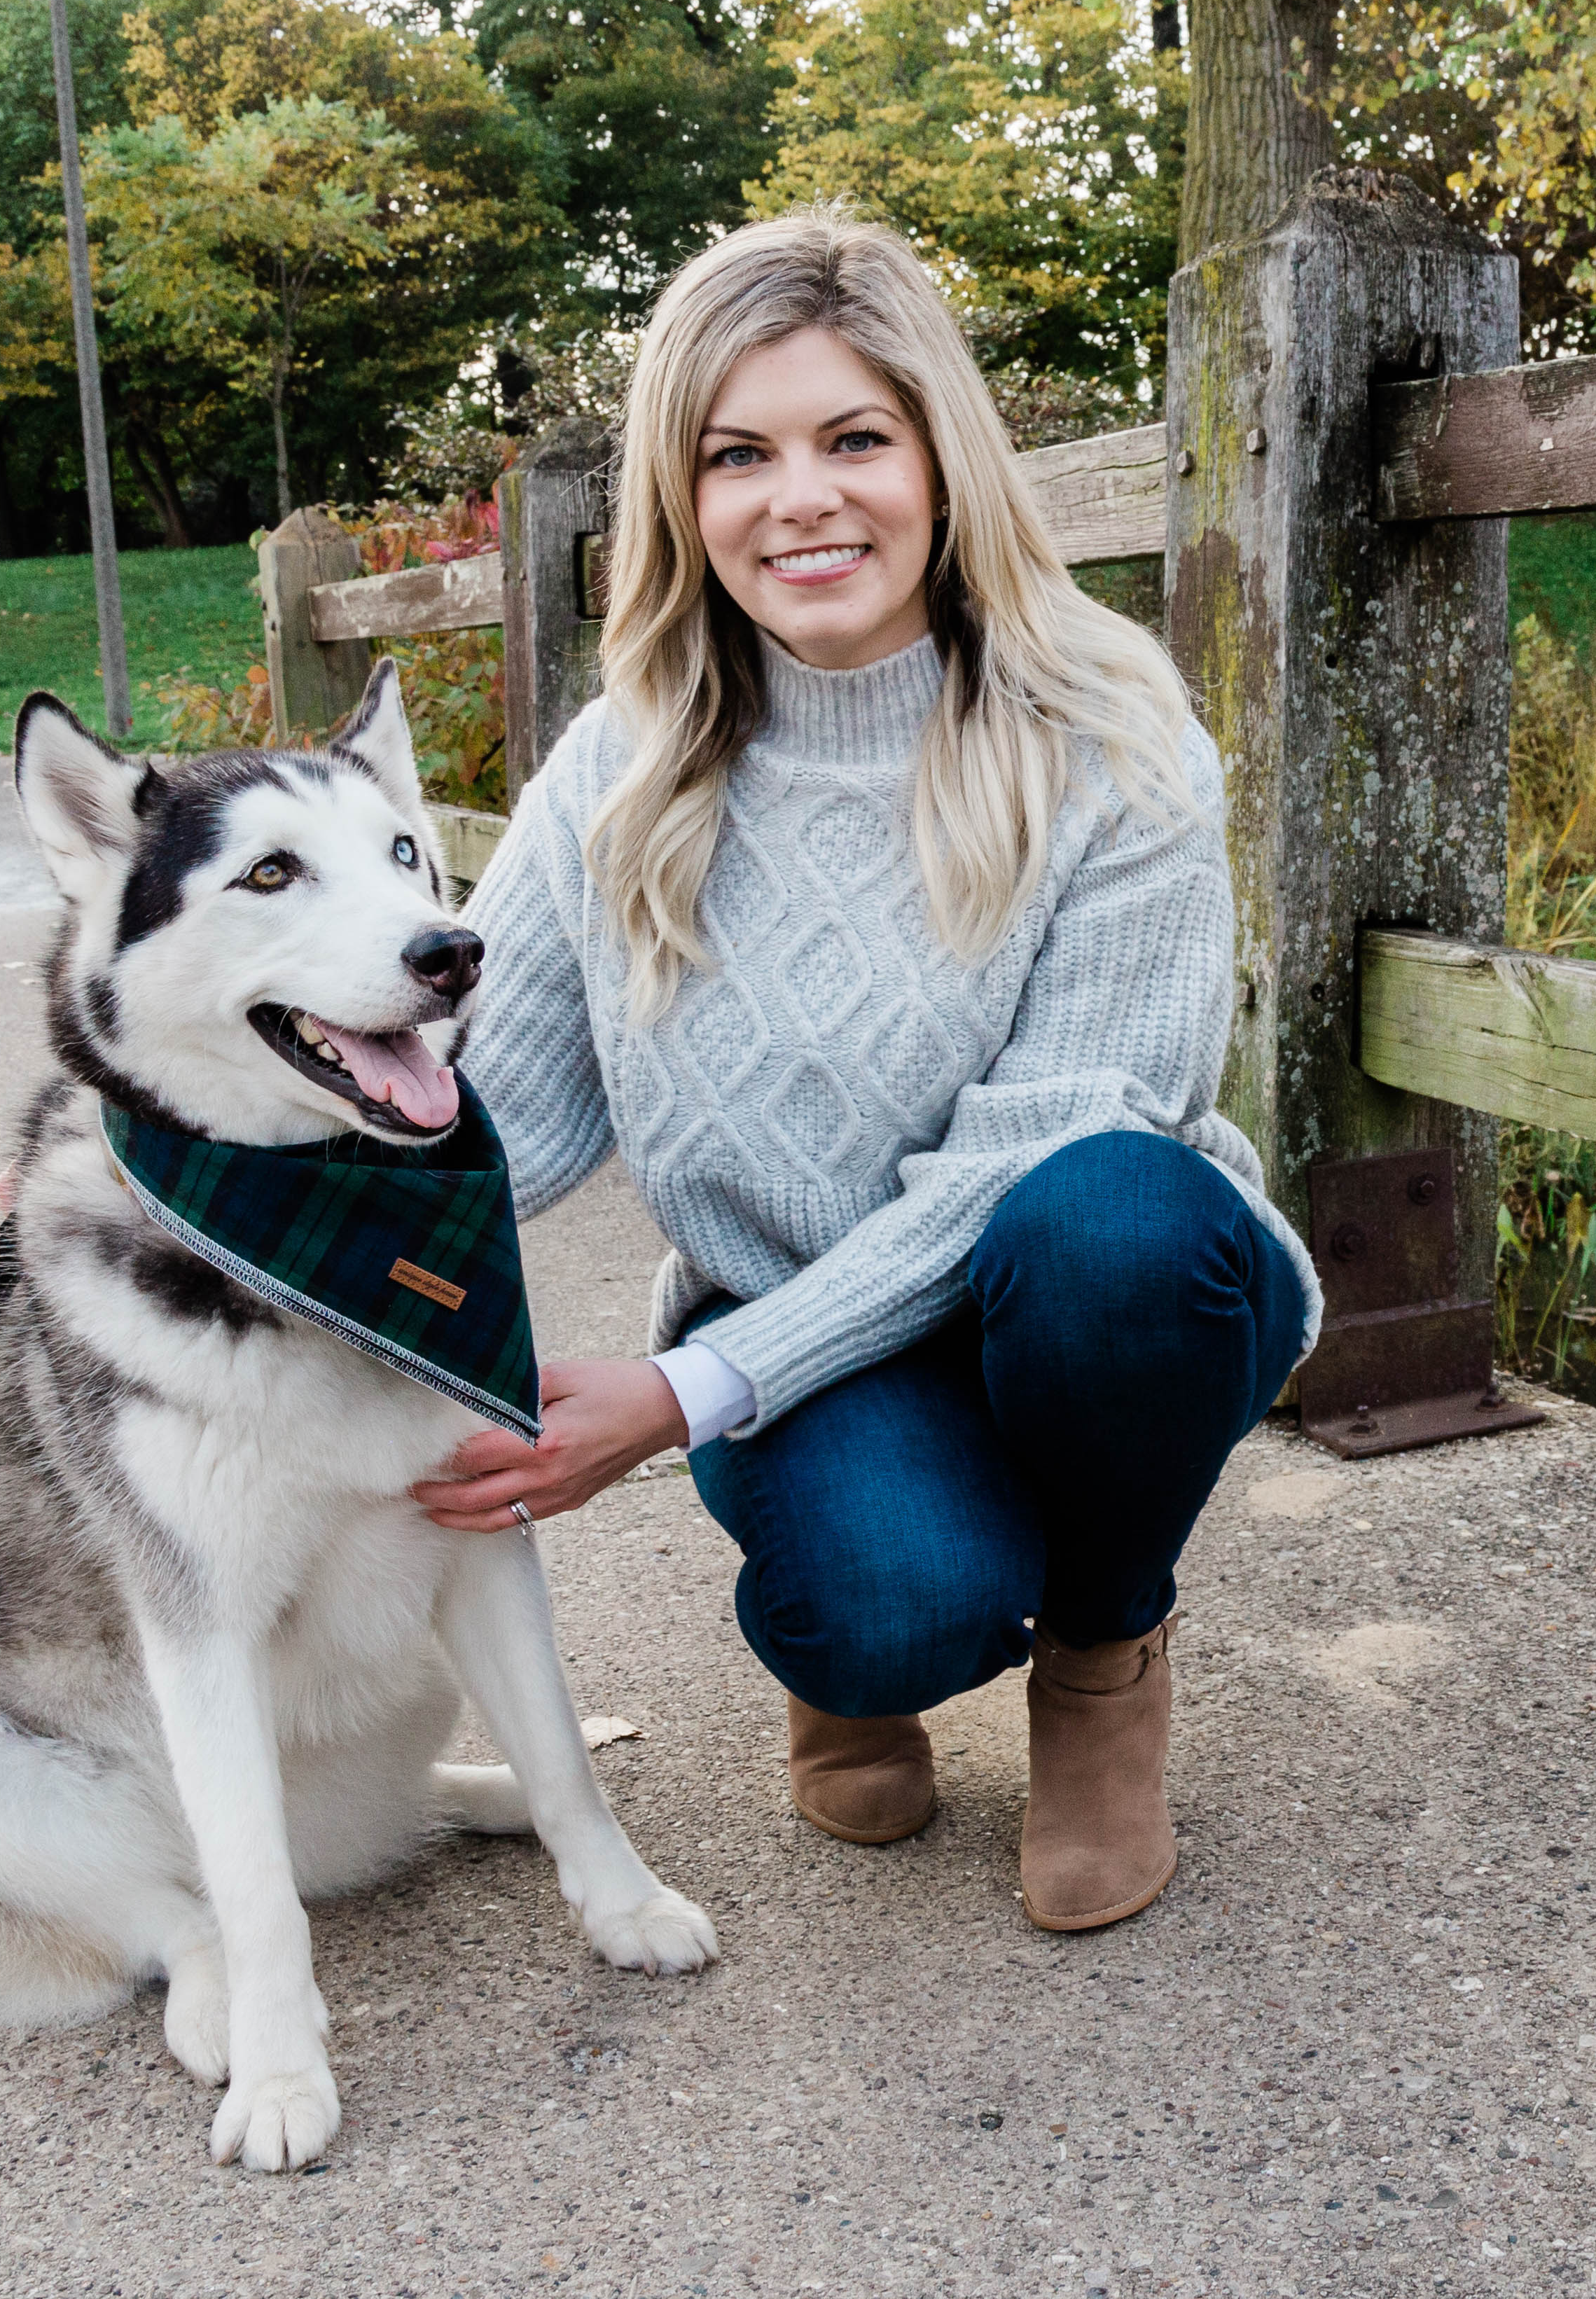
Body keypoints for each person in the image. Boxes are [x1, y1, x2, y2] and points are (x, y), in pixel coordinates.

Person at [410, 208, 1319, 1932]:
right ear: (683, 498)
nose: (799, 498)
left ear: (939, 458)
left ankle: (1104, 1666)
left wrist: (681, 1397)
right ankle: (867, 1637)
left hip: (1083, 1298)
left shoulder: (1109, 732)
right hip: (804, 1338)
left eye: (852, 439)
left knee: (1116, 1212)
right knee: (889, 1604)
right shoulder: (615, 773)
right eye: (736, 453)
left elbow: (1049, 1143)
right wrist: (176, 1174)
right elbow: (481, 1124)